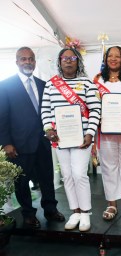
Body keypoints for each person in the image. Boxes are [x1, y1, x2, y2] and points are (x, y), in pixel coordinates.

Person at [0, 47, 64, 229]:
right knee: (21, 182)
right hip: (18, 145)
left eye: (31, 59)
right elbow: (1, 117)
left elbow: (49, 113)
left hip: (42, 142)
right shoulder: (4, 86)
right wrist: (6, 143)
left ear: (35, 62)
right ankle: (28, 214)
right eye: (23, 59)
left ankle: (51, 210)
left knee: (47, 178)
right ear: (17, 62)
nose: (27, 62)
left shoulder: (44, 84)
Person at [41, 47, 101, 232]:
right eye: (64, 58)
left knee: (79, 175)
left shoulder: (87, 83)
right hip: (60, 139)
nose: (68, 61)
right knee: (67, 176)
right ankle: (75, 212)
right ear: (59, 62)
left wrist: (90, 133)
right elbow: (45, 110)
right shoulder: (51, 84)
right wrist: (48, 129)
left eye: (72, 58)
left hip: (82, 138)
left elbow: (95, 110)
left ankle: (85, 213)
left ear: (78, 61)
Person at [93, 46, 121, 221]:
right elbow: (94, 104)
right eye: (110, 56)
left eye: (117, 56)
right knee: (108, 166)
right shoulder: (97, 79)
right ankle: (111, 203)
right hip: (106, 130)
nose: (113, 59)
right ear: (105, 59)